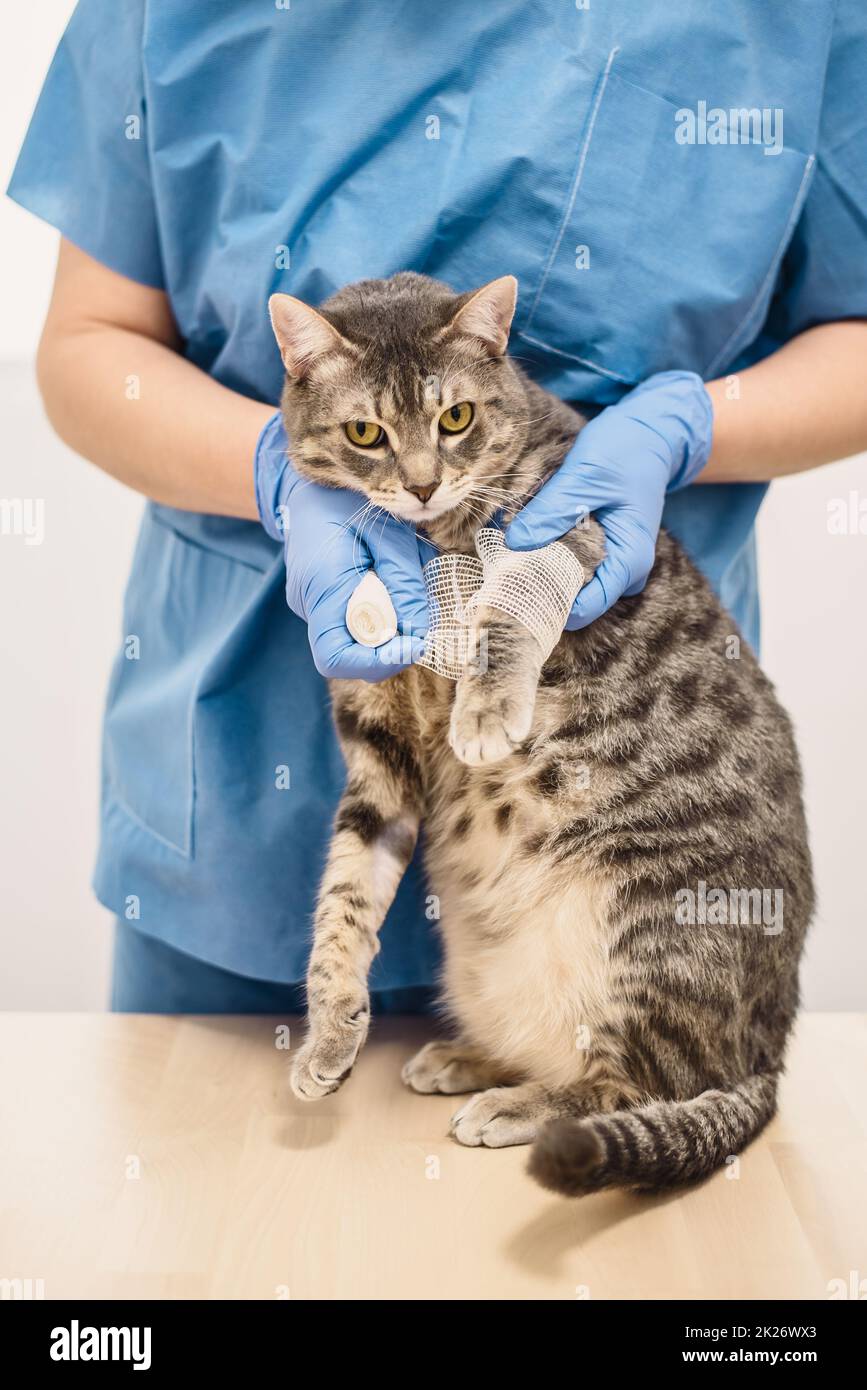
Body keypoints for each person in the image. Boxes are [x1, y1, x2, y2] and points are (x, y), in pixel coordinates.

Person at [9, 0, 867, 1013]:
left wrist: (684, 427)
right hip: (244, 804)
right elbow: (88, 345)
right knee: (217, 1153)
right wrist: (272, 469)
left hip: (619, 808)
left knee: (614, 1096)